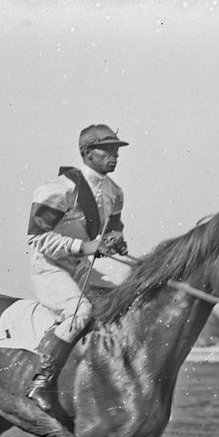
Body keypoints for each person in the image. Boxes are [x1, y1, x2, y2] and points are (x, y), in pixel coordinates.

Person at [24, 123, 134, 415]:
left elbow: (114, 230)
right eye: (107, 150)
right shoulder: (58, 190)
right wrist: (86, 247)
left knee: (127, 299)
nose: (115, 156)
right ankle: (42, 381)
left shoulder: (115, 192)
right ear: (87, 153)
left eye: (116, 150)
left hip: (81, 267)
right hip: (50, 267)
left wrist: (116, 241)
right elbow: (36, 238)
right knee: (81, 313)